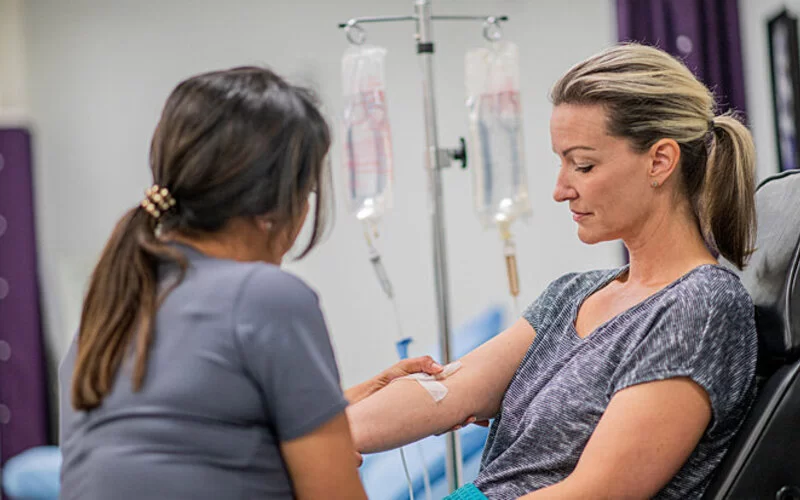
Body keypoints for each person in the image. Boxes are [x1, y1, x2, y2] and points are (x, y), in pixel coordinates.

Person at [347, 43, 759, 500]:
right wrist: (325, 438)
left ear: (659, 161)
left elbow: (597, 493)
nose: (560, 190)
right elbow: (451, 391)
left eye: (583, 164)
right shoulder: (572, 294)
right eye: (560, 162)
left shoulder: (699, 309)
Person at [58, 66, 443, 500]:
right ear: (280, 203)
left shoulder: (112, 309)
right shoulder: (266, 296)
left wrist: (342, 404)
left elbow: (202, 432)